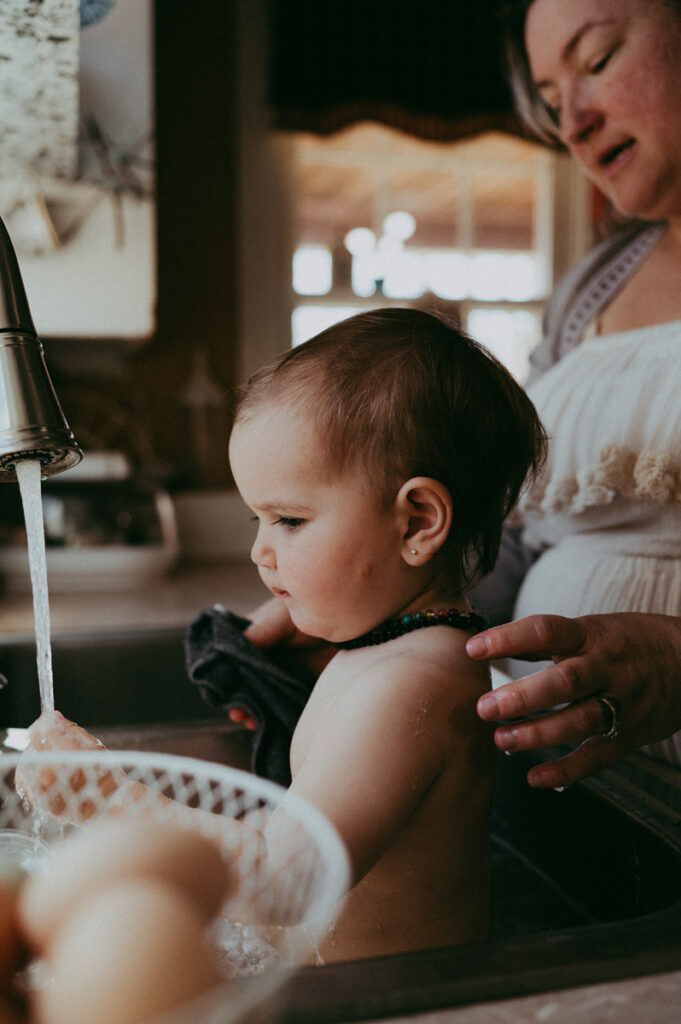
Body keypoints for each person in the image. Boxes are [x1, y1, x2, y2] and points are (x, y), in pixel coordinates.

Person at [243, 0, 681, 793]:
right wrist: (390, 598)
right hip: (564, 783)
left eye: (597, 60)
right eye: (549, 101)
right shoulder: (589, 291)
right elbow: (509, 530)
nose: (570, 123)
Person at [21, 308, 545, 962]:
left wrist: (106, 797)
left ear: (416, 523)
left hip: (384, 1004)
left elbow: (283, 882)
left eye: (289, 520)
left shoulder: (409, 683)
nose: (258, 553)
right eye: (255, 518)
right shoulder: (389, 648)